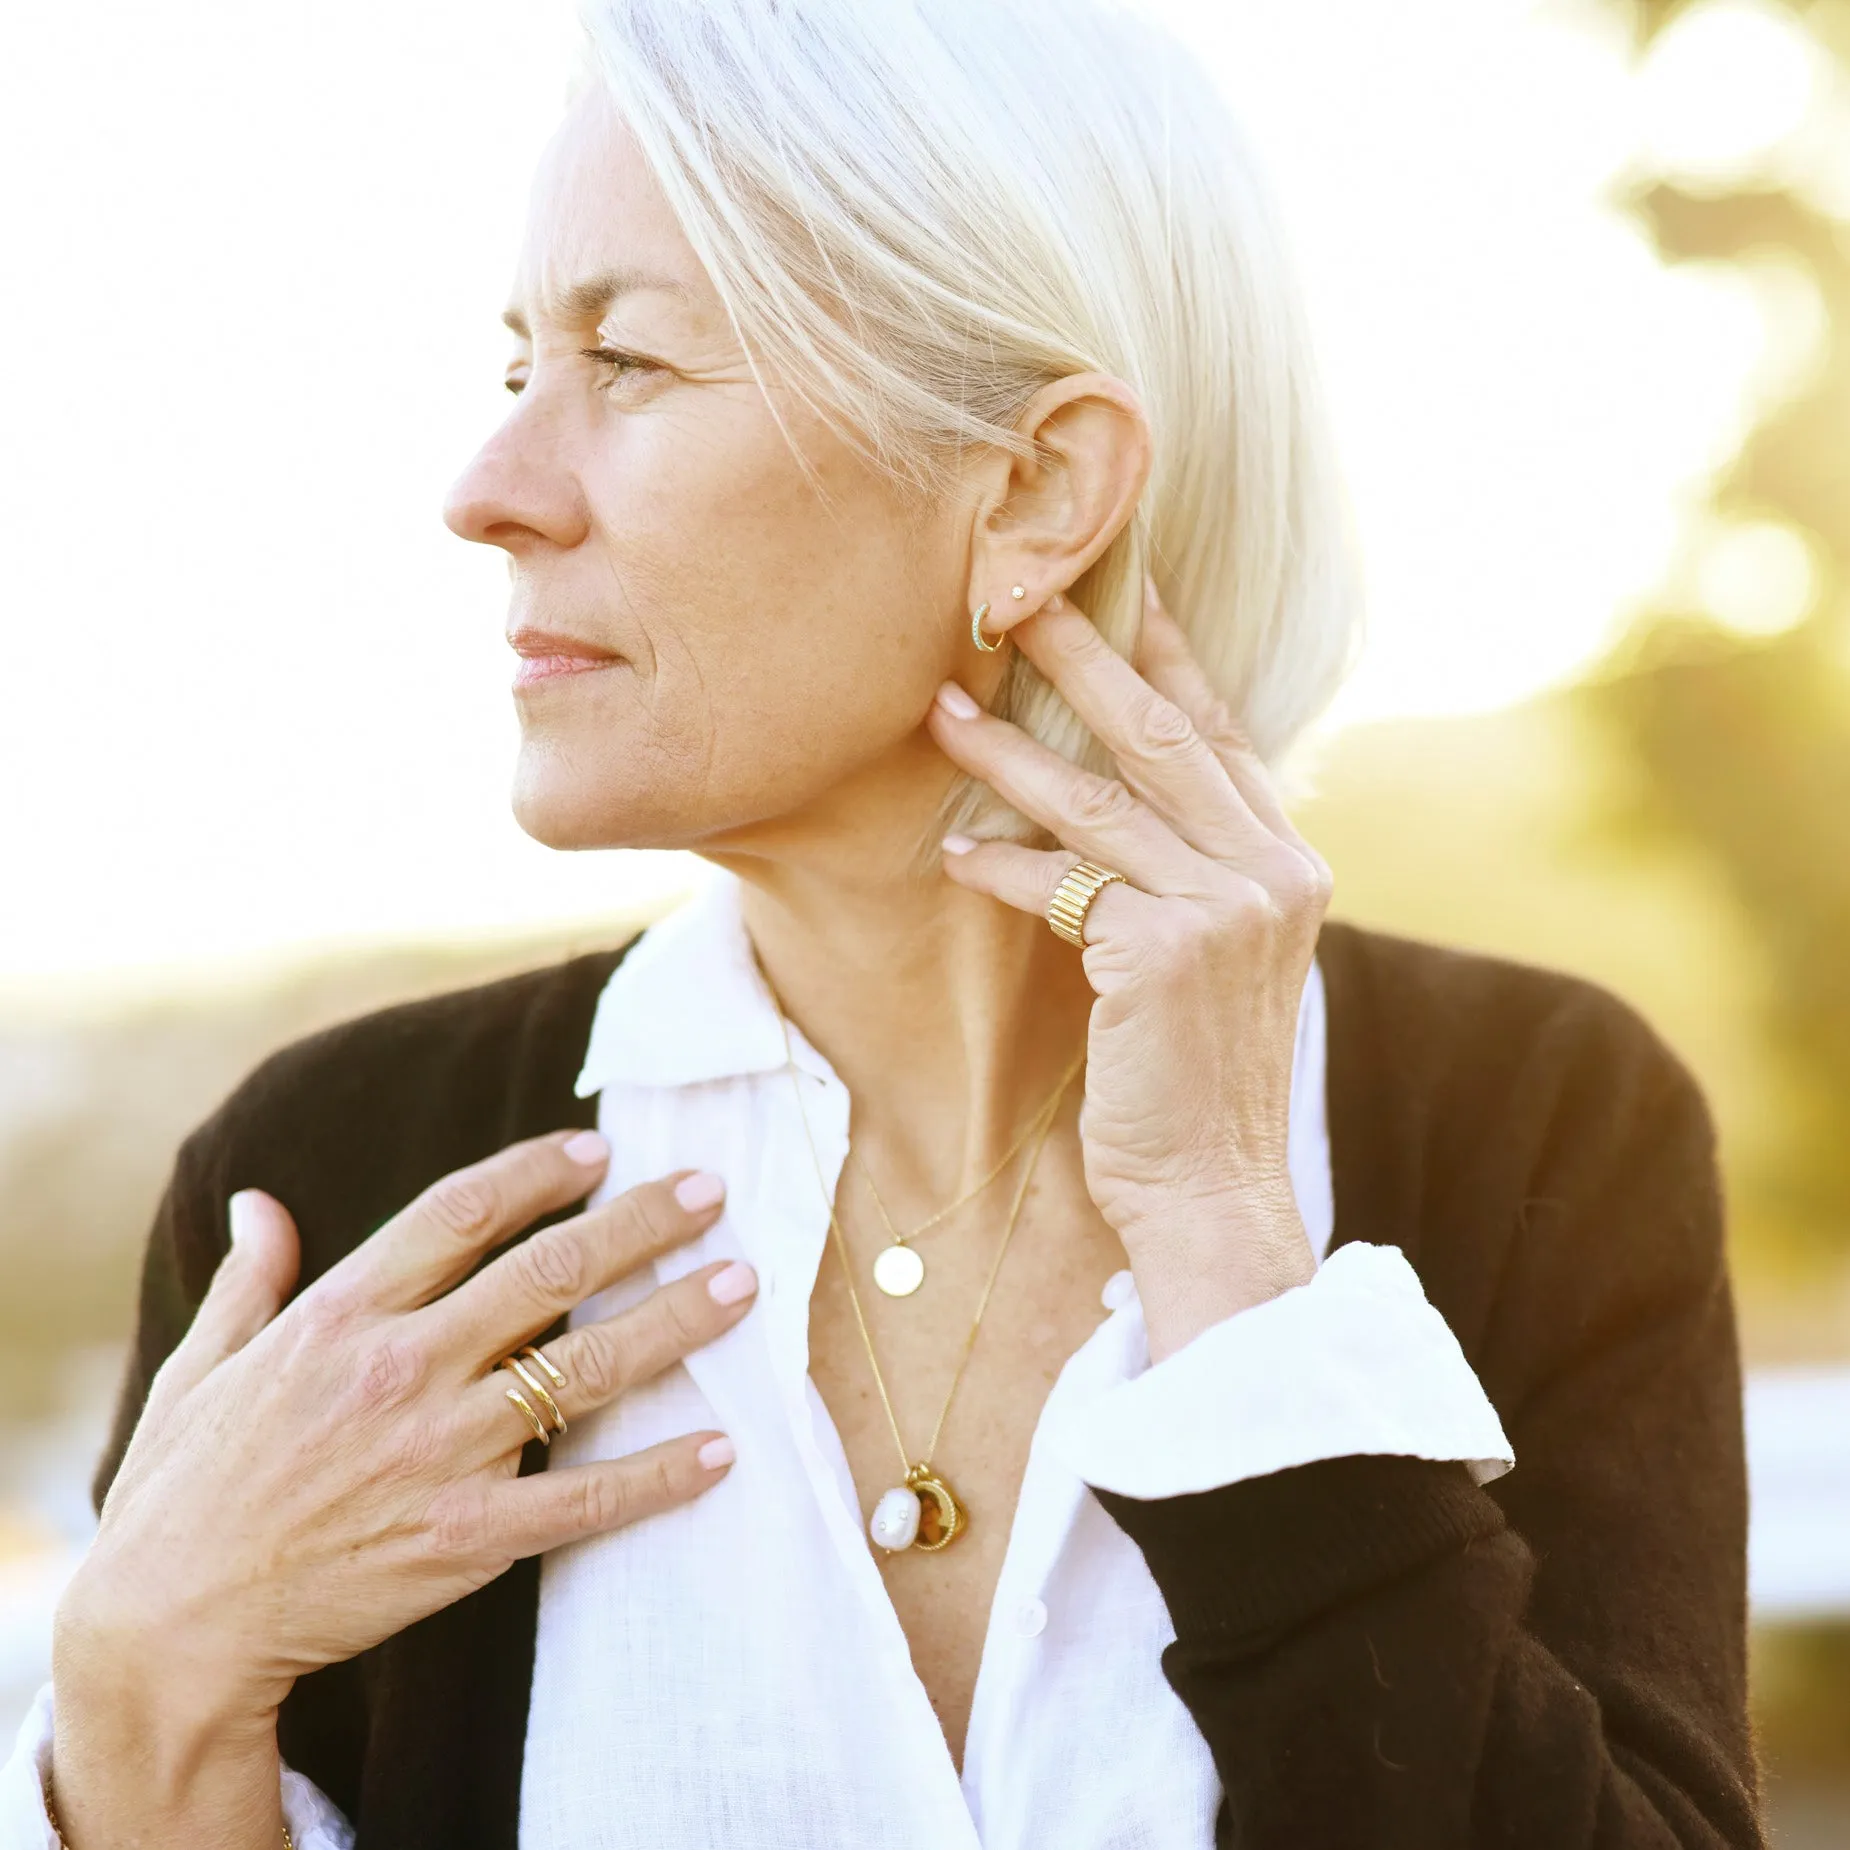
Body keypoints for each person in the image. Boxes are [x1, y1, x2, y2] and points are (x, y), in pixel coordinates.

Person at [3, 0, 1763, 1845]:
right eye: (516, 362)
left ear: (1033, 491)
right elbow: (154, 1737)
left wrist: (1236, 1258)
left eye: (631, 363)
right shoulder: (335, 1188)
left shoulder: (1532, 1121)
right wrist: (136, 1696)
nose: (489, 490)